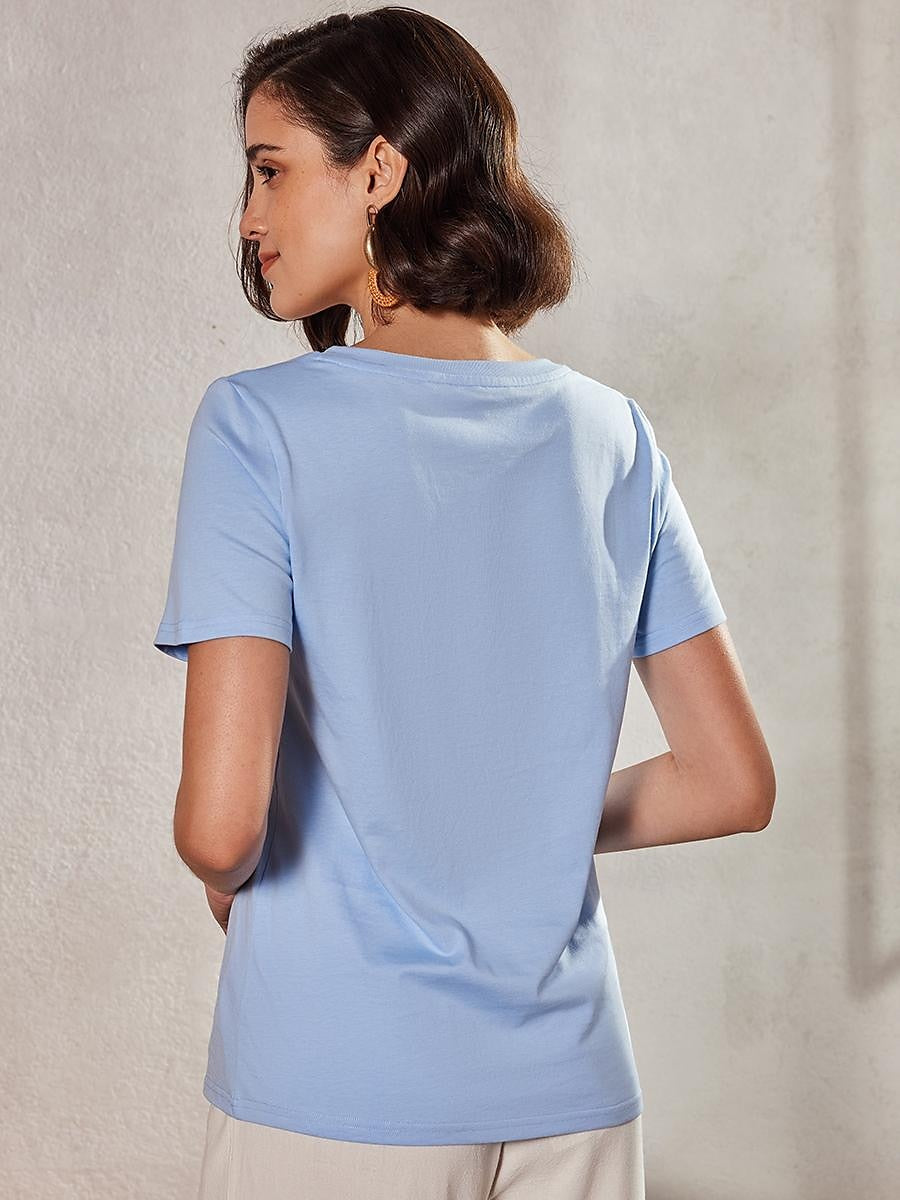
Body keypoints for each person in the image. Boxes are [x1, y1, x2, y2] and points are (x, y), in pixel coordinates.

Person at [152, 8, 776, 1199]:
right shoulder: (611, 436)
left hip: (338, 1084)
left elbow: (221, 830)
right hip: (574, 1094)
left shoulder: (257, 428)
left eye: (271, 169)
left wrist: (238, 864)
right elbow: (730, 781)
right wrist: (512, 824)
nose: (247, 218)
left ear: (379, 170)